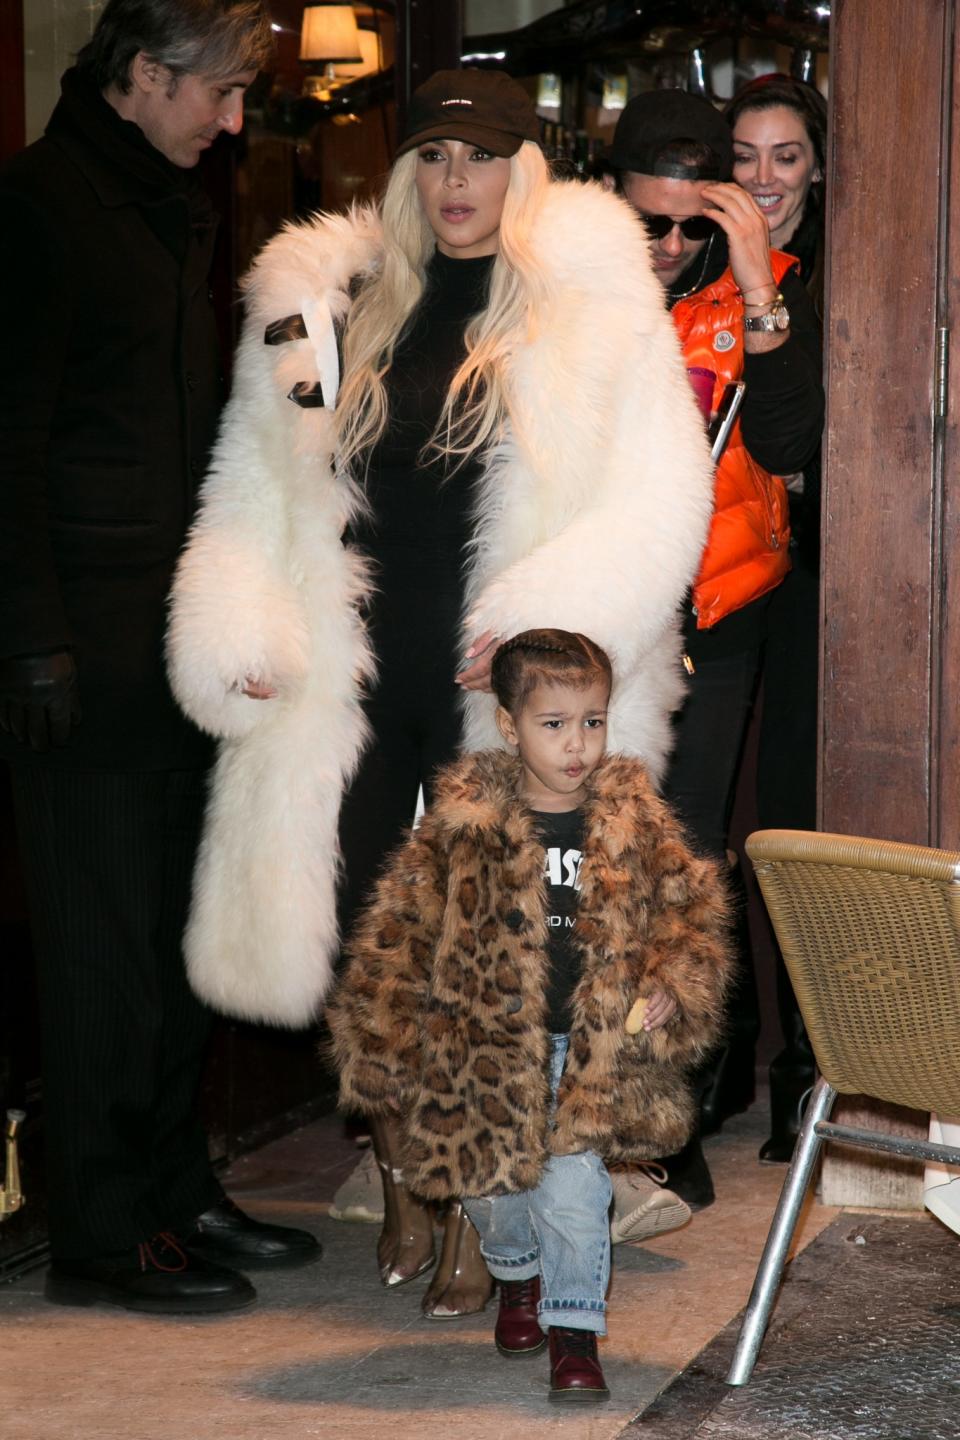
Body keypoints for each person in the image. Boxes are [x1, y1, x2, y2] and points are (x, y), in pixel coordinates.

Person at [166, 68, 716, 1314]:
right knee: (378, 958)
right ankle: (413, 1169)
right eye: (432, 157)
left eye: (478, 157)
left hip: (502, 689)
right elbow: (251, 487)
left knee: (502, 963)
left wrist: (540, 622)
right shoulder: (332, 301)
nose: (453, 182)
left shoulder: (591, 305)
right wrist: (240, 623)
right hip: (356, 681)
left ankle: (489, 1205)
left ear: (521, 169)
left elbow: (659, 501)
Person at [0, 0, 321, 1315]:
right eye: (220, 94)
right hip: (72, 644)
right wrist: (32, 646)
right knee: (98, 946)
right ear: (140, 75)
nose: (236, 121)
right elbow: (6, 448)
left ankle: (174, 1186)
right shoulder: (37, 208)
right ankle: (98, 1227)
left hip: (176, 636)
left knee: (181, 931)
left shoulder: (175, 195)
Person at [328, 629, 731, 1403]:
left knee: (575, 1192)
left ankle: (574, 1334)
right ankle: (514, 1273)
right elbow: (402, 930)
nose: (578, 744)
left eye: (593, 721)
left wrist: (673, 981)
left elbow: (690, 914)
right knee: (492, 1190)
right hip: (482, 1045)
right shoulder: (464, 823)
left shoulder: (631, 820)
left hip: (589, 1049)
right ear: (510, 727)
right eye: (554, 724)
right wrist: (383, 1031)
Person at [604, 88, 825, 1205]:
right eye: (658, 221)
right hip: (592, 630)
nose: (677, 243)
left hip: (717, 625)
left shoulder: (770, 294)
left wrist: (747, 286)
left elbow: (789, 442)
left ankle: (662, 1124)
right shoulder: (576, 292)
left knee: (681, 881)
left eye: (699, 220)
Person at [727, 74, 828, 1162]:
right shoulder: (684, 253)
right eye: (746, 155)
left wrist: (763, 285)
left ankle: (807, 1067)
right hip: (707, 572)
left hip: (814, 578)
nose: (763, 178)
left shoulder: (848, 264)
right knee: (704, 822)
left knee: (798, 815)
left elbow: (794, 436)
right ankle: (719, 1061)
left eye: (786, 156)